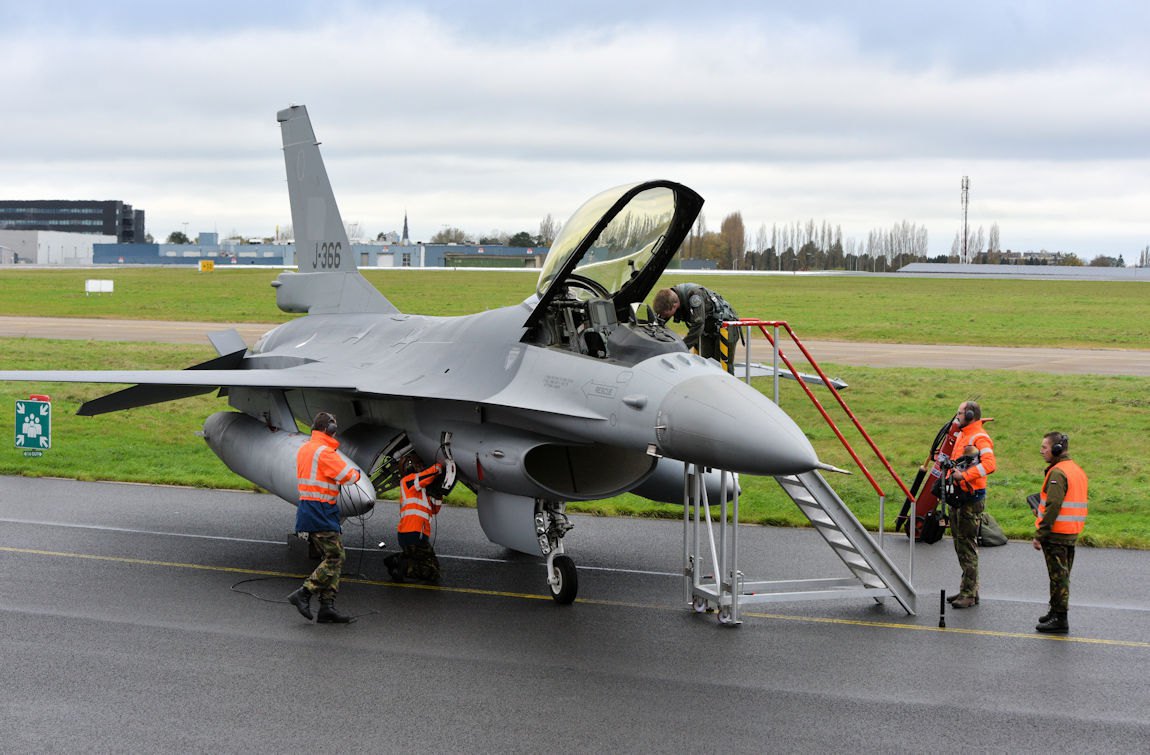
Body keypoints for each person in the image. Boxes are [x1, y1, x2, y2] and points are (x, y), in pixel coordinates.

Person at [286, 411, 362, 624]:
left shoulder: (306, 448)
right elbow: (348, 476)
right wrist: (357, 472)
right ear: (329, 430)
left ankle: (327, 607)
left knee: (331, 558)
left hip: (313, 510)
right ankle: (304, 593)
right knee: (336, 557)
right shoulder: (325, 452)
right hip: (320, 510)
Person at [1032, 431, 1088, 634]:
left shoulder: (1057, 472)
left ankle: (1060, 618)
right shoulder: (1075, 469)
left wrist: (1040, 533)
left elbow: (1054, 505)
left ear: (1056, 449)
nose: (1041, 451)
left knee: (1059, 577)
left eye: (1044, 447)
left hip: (1057, 534)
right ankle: (1055, 610)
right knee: (1061, 575)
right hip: (1070, 532)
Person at [945, 400, 996, 609]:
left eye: (959, 413)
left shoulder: (979, 437)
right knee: (960, 543)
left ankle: (969, 593)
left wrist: (964, 476)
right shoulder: (964, 434)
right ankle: (968, 588)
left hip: (970, 498)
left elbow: (990, 465)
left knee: (967, 545)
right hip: (959, 495)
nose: (956, 417)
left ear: (970, 415)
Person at [652, 283, 741, 372]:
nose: (664, 316)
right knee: (706, 365)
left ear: (675, 306)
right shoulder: (669, 298)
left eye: (666, 314)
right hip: (707, 329)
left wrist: (682, 348)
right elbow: (660, 320)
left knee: (722, 367)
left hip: (726, 327)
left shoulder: (695, 295)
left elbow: (698, 325)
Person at [384, 456, 445, 583]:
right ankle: (400, 564)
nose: (422, 468)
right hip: (413, 533)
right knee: (432, 573)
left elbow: (434, 509)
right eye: (419, 465)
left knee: (426, 566)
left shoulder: (421, 489)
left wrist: (438, 493)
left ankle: (400, 561)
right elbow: (427, 475)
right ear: (410, 468)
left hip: (415, 534)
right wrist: (440, 466)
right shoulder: (408, 481)